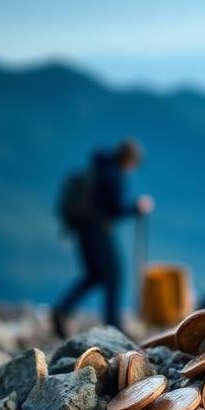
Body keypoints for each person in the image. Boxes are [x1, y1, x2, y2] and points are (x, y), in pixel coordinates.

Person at [53, 138, 154, 338]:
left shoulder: (101, 168)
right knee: (113, 277)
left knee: (94, 275)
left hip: (84, 229)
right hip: (97, 230)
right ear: (130, 160)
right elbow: (116, 208)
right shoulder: (114, 174)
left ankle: (62, 310)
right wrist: (137, 207)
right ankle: (113, 327)